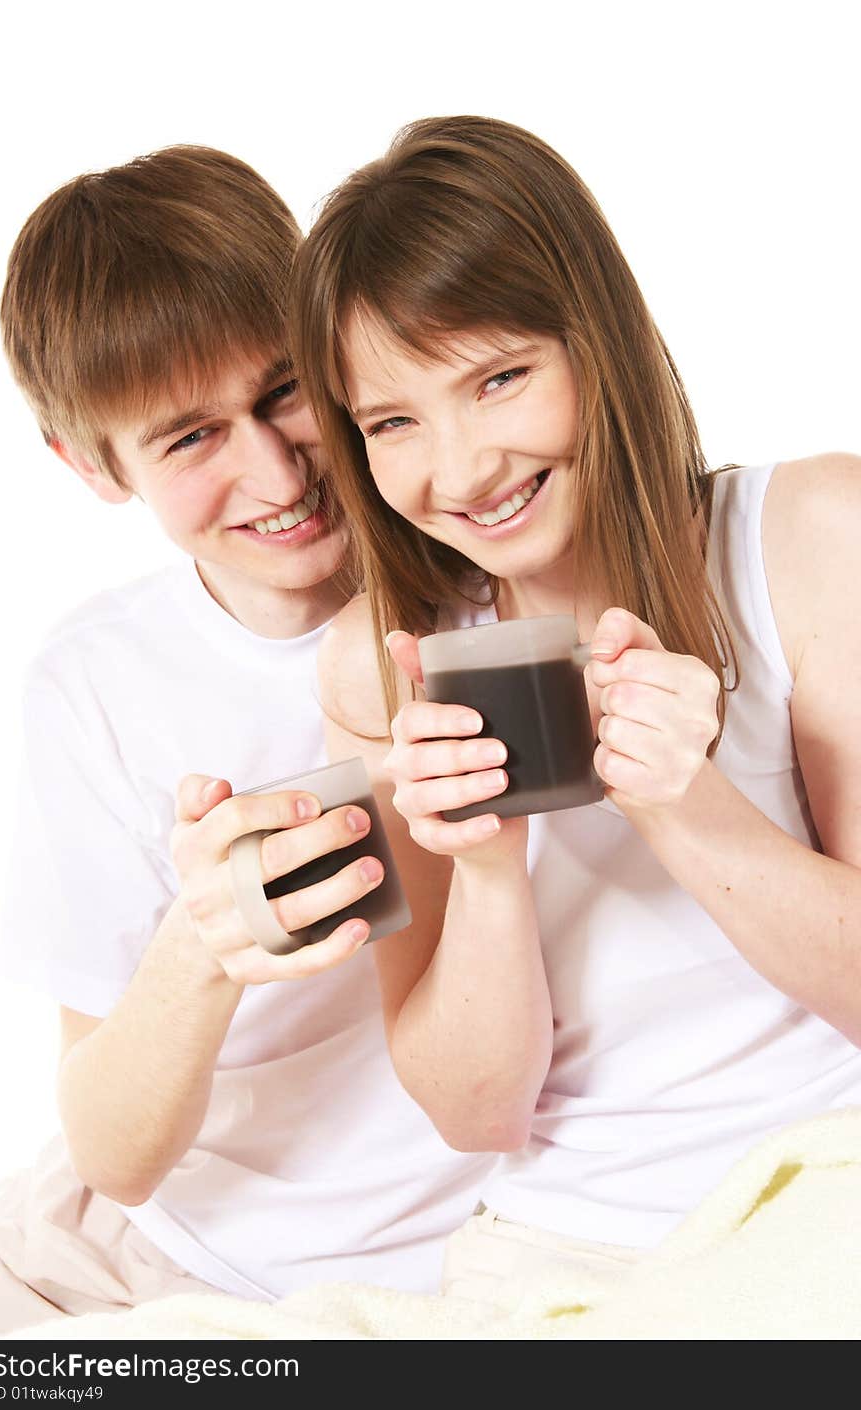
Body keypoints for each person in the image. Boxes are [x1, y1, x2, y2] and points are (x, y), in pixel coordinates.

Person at [291, 115, 861, 1311]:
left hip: (825, 1181)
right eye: (392, 422)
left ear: (594, 341)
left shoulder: (810, 535)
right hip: (559, 1250)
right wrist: (486, 867)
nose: (460, 469)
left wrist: (684, 805)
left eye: (499, 378)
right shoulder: (380, 666)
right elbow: (473, 1111)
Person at [0, 145, 491, 1335]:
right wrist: (200, 948)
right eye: (189, 439)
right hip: (179, 1255)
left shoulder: (495, 560)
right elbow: (114, 1153)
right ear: (92, 466)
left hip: (472, 1243)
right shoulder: (91, 686)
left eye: (282, 393)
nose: (274, 471)